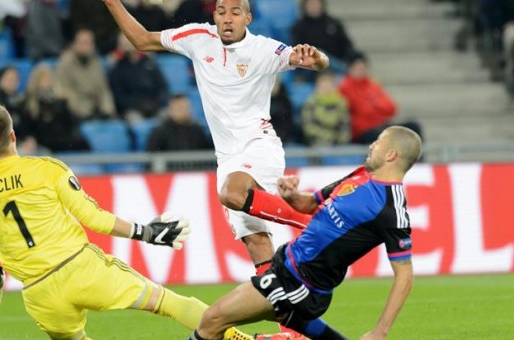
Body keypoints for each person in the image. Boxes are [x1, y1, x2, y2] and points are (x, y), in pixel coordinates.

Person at [102, 0, 329, 336]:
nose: (227, 18)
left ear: (247, 18)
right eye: (222, 11)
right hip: (228, 158)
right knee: (258, 245)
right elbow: (141, 40)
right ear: (215, 16)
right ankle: (291, 331)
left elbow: (315, 62)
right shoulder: (197, 37)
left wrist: (316, 58)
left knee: (233, 193)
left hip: (260, 145)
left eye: (236, 12)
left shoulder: (264, 49)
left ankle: (312, 220)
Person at [0, 103, 256, 340]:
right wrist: (146, 233)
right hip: (81, 268)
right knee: (168, 302)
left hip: (39, 292)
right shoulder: (46, 169)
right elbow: (93, 218)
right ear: (13, 136)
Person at [192, 126, 421, 340]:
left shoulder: (391, 210)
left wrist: (380, 331)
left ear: (391, 155)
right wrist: (291, 194)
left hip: (301, 284)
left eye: (378, 143)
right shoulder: (360, 175)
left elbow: (404, 274)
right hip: (287, 263)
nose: (371, 146)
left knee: (212, 320)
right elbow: (310, 204)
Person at [338, 53, 422, 145]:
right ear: (350, 69)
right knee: (382, 135)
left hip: (380, 126)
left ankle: (418, 158)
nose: (361, 71)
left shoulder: (372, 84)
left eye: (363, 68)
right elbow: (364, 111)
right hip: (362, 133)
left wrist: (373, 106)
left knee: (413, 127)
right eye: (358, 68)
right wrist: (375, 106)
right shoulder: (345, 87)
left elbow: (391, 108)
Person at [55, 29, 117, 120]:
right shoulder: (65, 64)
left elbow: (104, 90)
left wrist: (108, 110)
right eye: (83, 43)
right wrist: (84, 109)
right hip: (76, 113)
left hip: (98, 111)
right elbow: (62, 91)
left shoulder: (96, 63)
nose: (87, 46)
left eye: (90, 43)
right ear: (74, 44)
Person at [109, 33, 169, 122]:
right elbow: (118, 96)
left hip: (154, 106)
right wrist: (137, 105)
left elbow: (162, 87)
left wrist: (156, 103)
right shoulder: (117, 69)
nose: (127, 44)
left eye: (129, 40)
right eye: (124, 42)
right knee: (136, 120)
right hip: (132, 110)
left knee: (168, 117)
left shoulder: (149, 64)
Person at [146, 94, 212, 152]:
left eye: (185, 107)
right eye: (178, 108)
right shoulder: (159, 132)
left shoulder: (197, 131)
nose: (182, 111)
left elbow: (206, 155)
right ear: (170, 109)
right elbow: (152, 157)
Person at [301, 72, 350, 146]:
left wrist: (341, 139)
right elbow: (309, 127)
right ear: (317, 87)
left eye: (329, 86)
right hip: (317, 141)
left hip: (338, 142)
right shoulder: (311, 103)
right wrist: (327, 136)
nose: (327, 89)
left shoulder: (341, 103)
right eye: (323, 86)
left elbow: (345, 126)